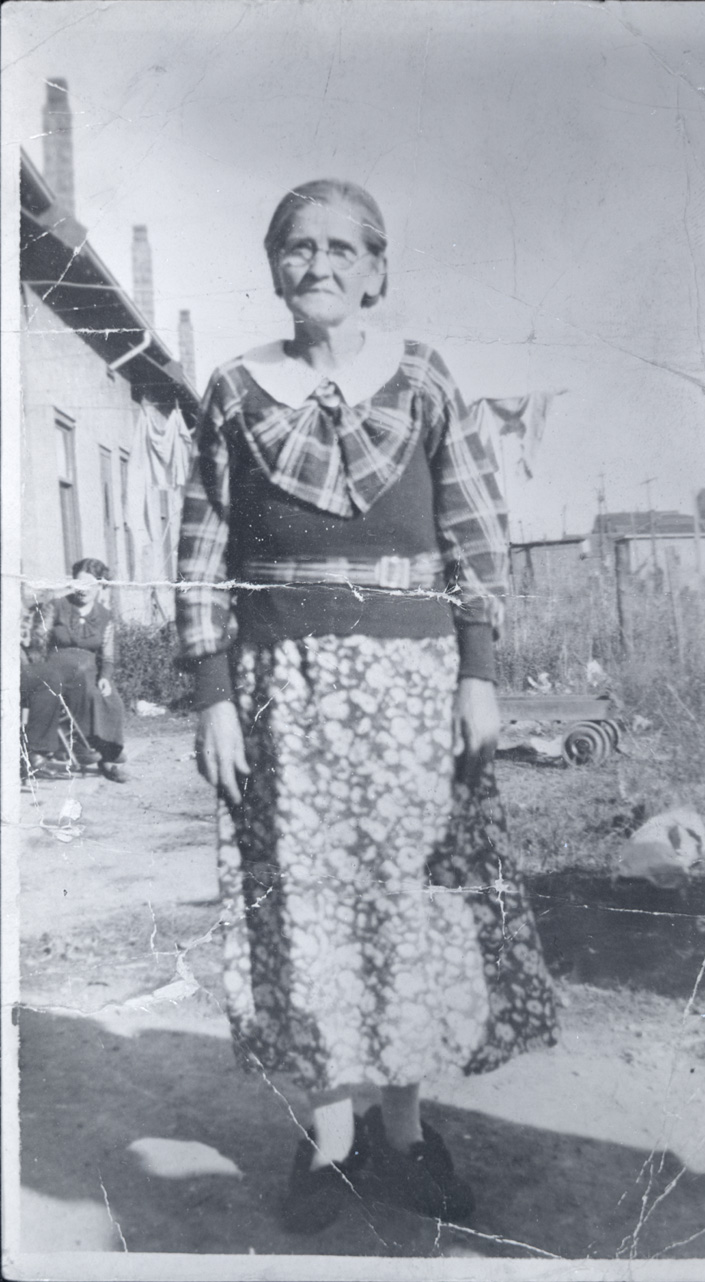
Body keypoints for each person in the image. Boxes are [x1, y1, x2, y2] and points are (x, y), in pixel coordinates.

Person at [177, 179, 557, 1233]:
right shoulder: (232, 389)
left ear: (378, 269)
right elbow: (203, 554)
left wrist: (478, 671)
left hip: (411, 689)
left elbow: (475, 532)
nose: (321, 265)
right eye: (299, 248)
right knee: (305, 907)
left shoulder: (425, 377)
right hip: (281, 695)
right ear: (274, 267)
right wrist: (212, 696)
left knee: (407, 907)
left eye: (345, 248)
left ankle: (402, 1134)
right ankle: (331, 1142)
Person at [22, 558, 127, 782]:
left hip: (89, 670)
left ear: (100, 585)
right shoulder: (56, 606)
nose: (83, 589)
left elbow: (108, 656)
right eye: (79, 583)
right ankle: (82, 749)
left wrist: (106, 677)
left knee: (108, 699)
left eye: (90, 584)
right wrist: (37, 667)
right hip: (56, 667)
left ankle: (106, 758)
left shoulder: (105, 616)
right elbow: (39, 640)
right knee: (68, 690)